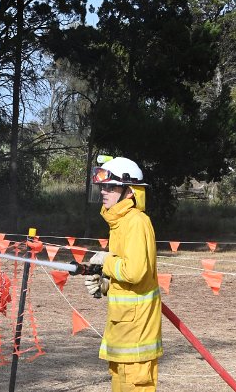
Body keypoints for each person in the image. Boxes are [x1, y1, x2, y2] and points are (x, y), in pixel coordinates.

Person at [84, 156, 162, 392]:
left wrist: (107, 262)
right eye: (102, 187)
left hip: (136, 338)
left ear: (129, 191)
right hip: (123, 331)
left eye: (110, 186)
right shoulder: (118, 223)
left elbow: (136, 271)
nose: (104, 192)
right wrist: (108, 284)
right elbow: (128, 271)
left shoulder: (136, 222)